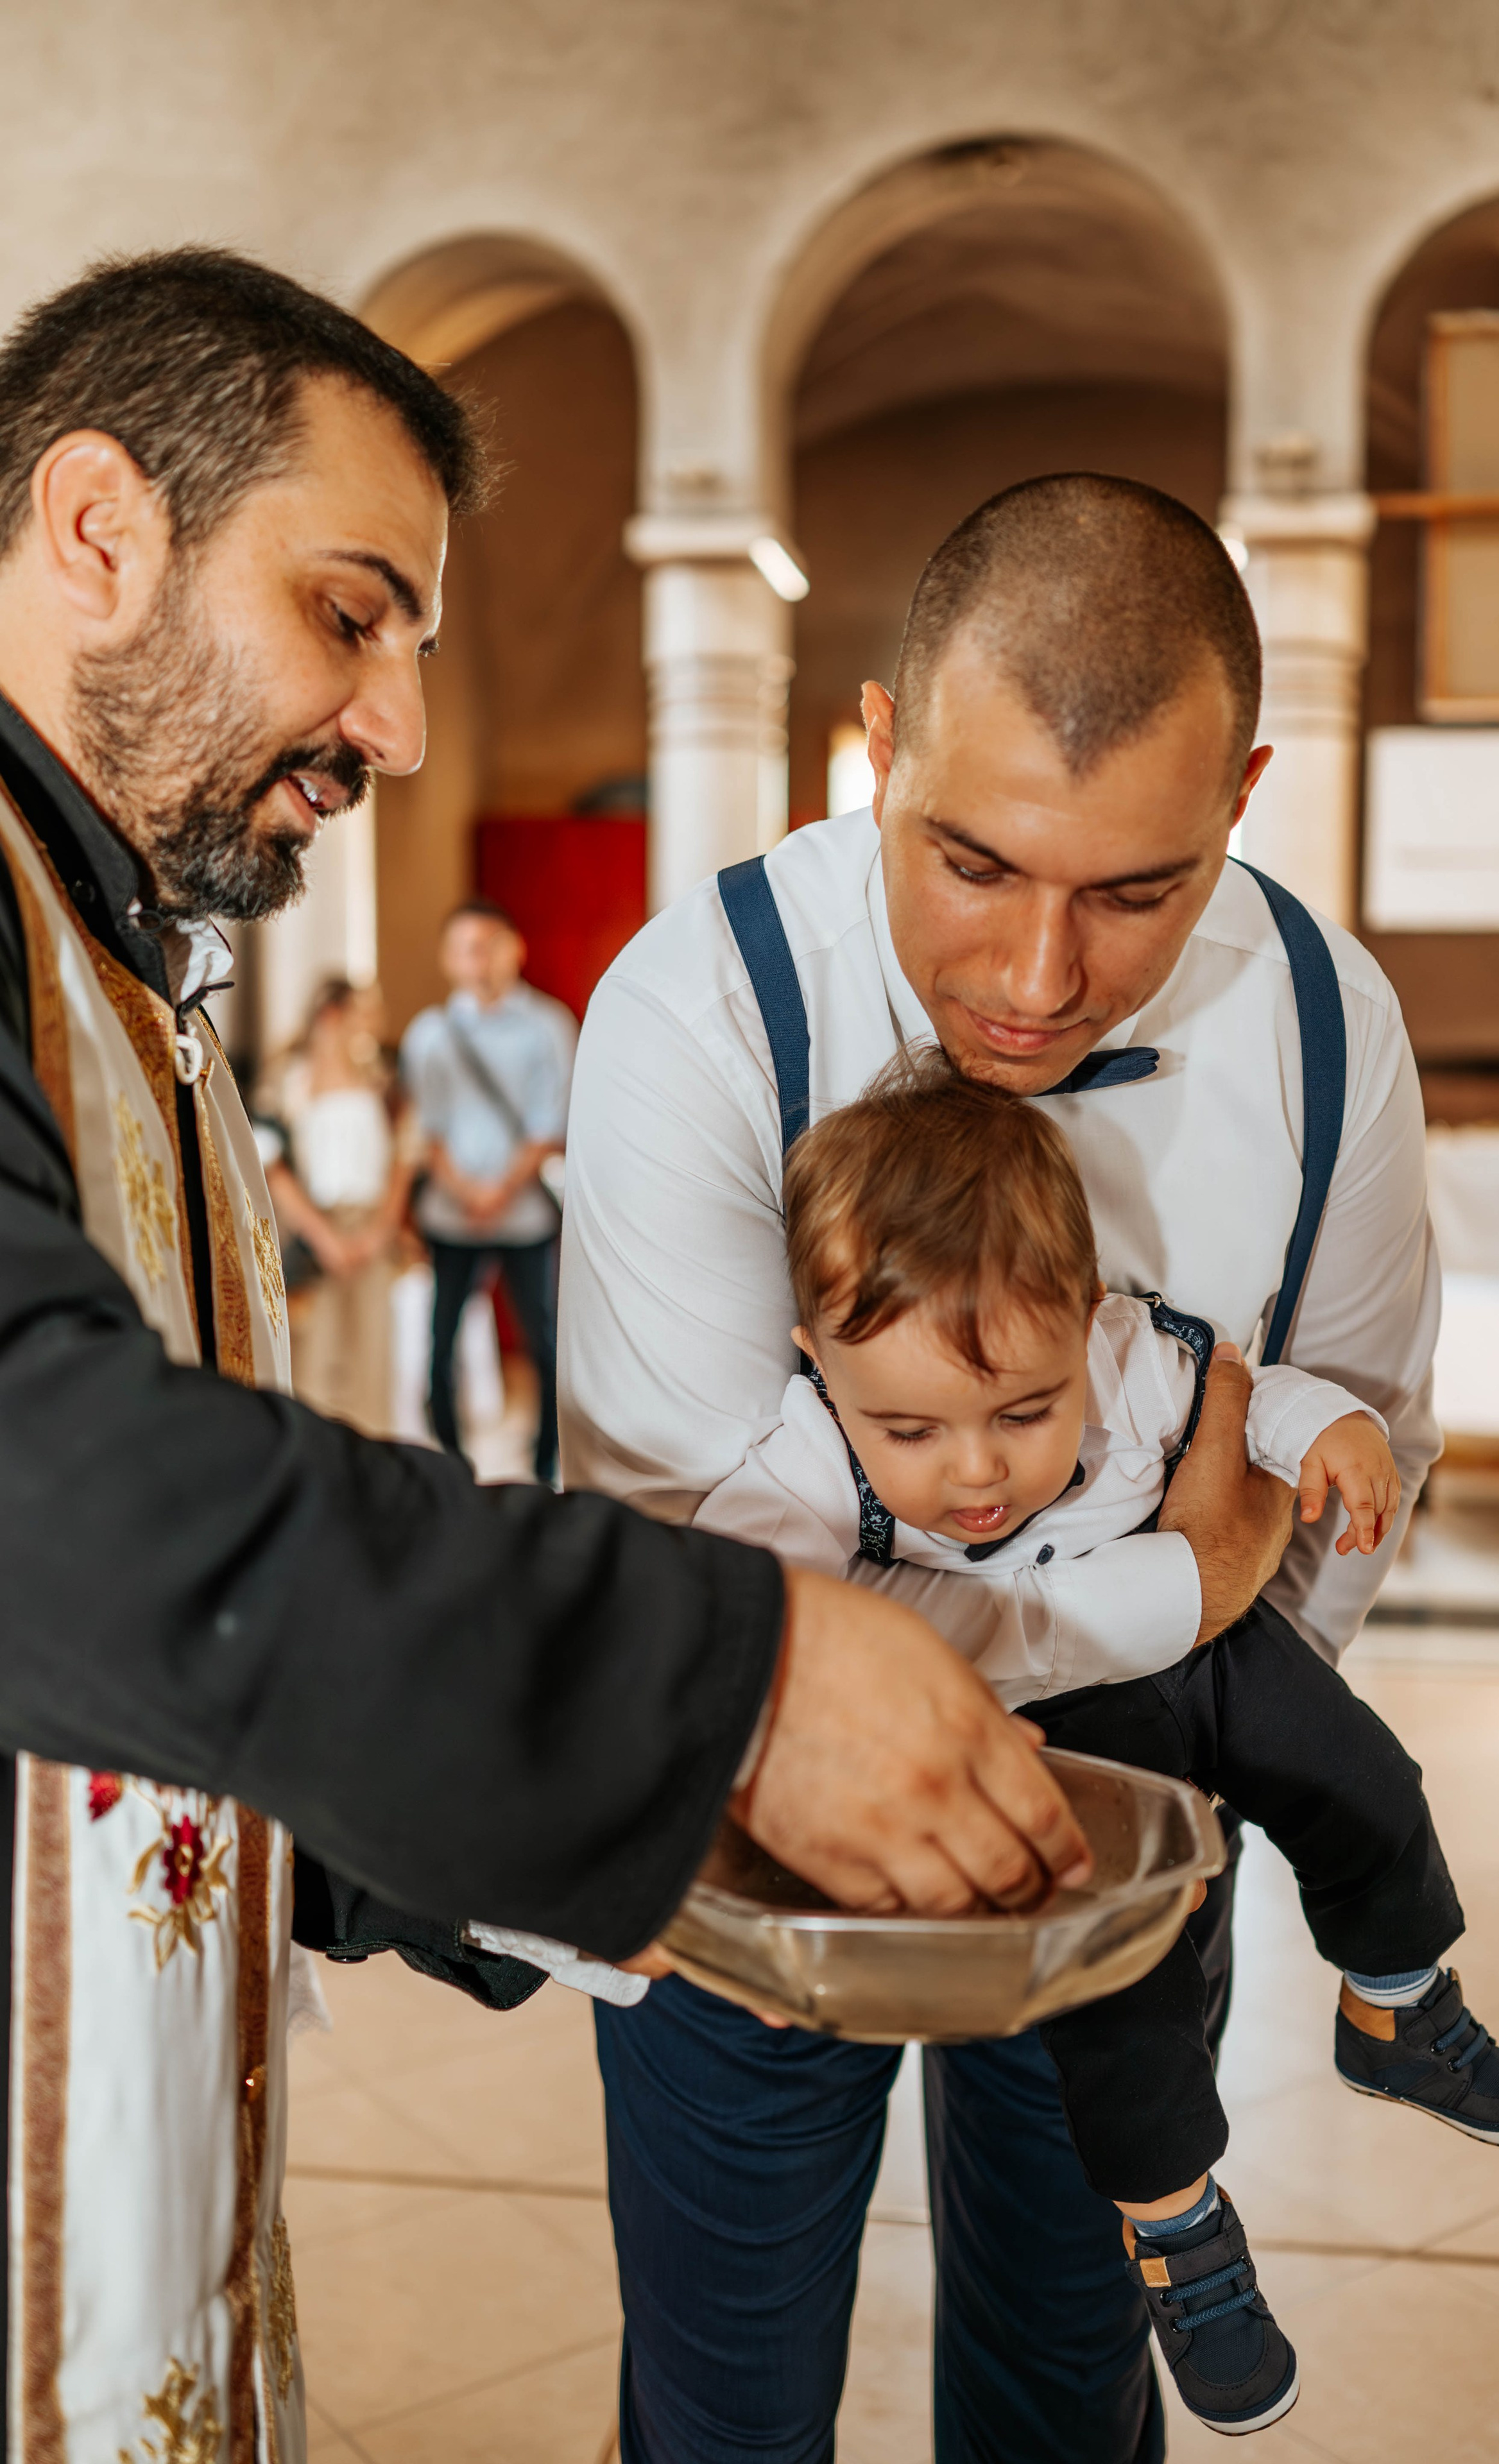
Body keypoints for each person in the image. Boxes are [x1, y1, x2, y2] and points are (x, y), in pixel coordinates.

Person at [0, 249, 1092, 2458]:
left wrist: (649, 1853)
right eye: (350, 614)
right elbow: (51, 1486)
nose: (397, 728)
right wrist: (724, 1681)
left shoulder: (126, 973)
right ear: (101, 528)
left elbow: (161, 1668)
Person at [559, 472, 1441, 2461]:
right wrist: (1176, 1591)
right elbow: (717, 1596)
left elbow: (1353, 1448)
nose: (1037, 974)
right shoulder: (696, 1017)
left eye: (1137, 888)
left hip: (1120, 1835)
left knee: (1064, 2379)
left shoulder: (1325, 1019)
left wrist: (1183, 1687)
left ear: (1242, 800)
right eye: (969, 861)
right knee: (725, 2408)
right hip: (746, 1846)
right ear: (877, 753)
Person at [698, 1058, 1499, 2438]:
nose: (973, 1474)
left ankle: (1395, 2001)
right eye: (908, 1429)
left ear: (1084, 1330)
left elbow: (1246, 1390)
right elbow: (745, 1601)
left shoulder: (1130, 1351)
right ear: (815, 1354)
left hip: (1205, 1651)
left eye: (1024, 1414)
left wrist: (1324, 1423)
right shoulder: (799, 1463)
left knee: (1361, 1779)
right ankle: (1177, 2230)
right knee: (1130, 1980)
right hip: (1060, 1728)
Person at [400, 897, 574, 1479]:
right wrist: (467, 1192)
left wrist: (500, 1190)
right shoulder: (430, 1033)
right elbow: (427, 1128)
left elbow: (552, 1122)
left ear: (513, 948)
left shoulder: (549, 1025)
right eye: (463, 949)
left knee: (547, 1341)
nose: (475, 960)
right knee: (440, 1341)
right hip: (452, 1212)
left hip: (523, 1211)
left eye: (485, 945)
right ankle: (449, 1460)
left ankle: (547, 1459)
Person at [261, 975, 411, 1436]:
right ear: (332, 1016)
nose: (373, 1023)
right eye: (362, 1012)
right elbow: (271, 1163)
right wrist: (322, 1236)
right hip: (313, 1233)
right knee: (317, 1359)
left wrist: (380, 1229)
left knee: (372, 1355)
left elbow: (403, 1159)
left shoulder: (381, 1079)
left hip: (371, 1230)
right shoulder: (289, 1079)